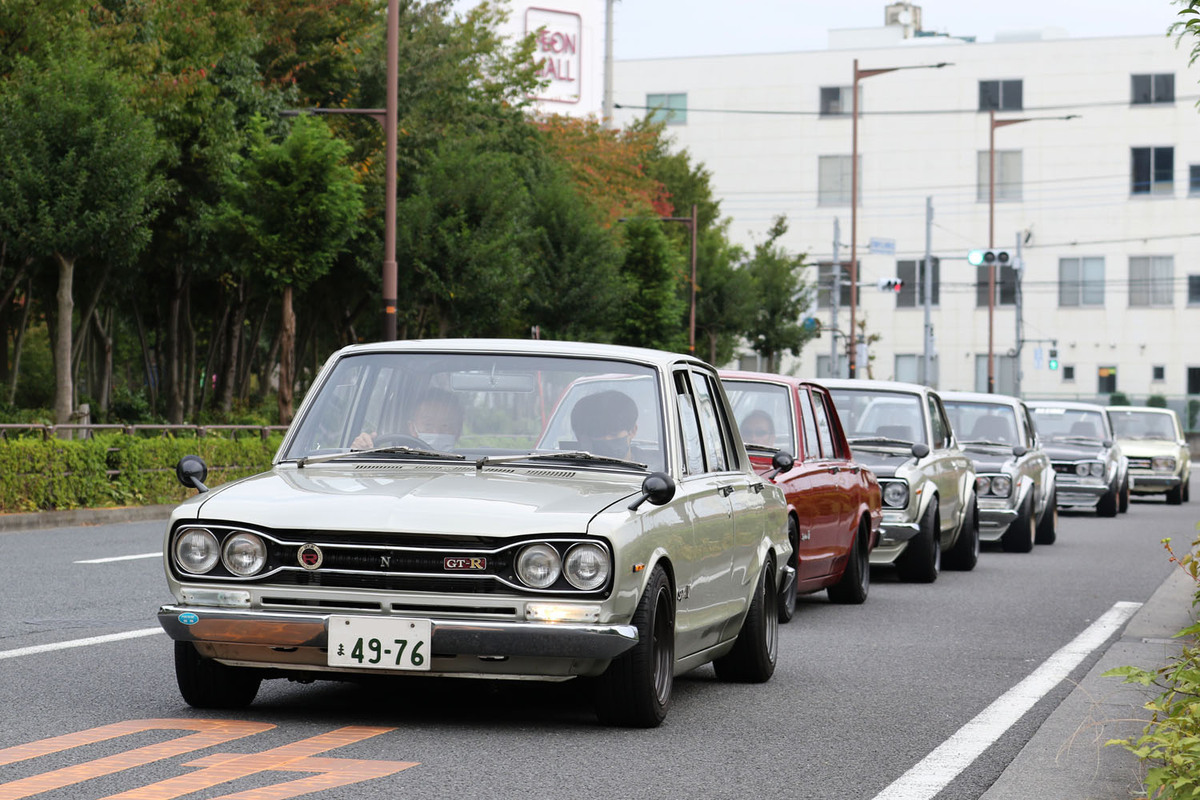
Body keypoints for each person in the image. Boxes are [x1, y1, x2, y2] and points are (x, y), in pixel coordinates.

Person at [353, 388, 464, 450]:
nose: (437, 432)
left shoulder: (474, 471)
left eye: (445, 426)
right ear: (412, 428)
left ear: (458, 431)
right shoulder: (393, 462)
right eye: (428, 425)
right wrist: (358, 452)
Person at [571, 389, 644, 461]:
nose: (606, 439)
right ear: (581, 438)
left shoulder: (652, 467)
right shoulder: (567, 467)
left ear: (633, 431)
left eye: (613, 434)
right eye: (598, 434)